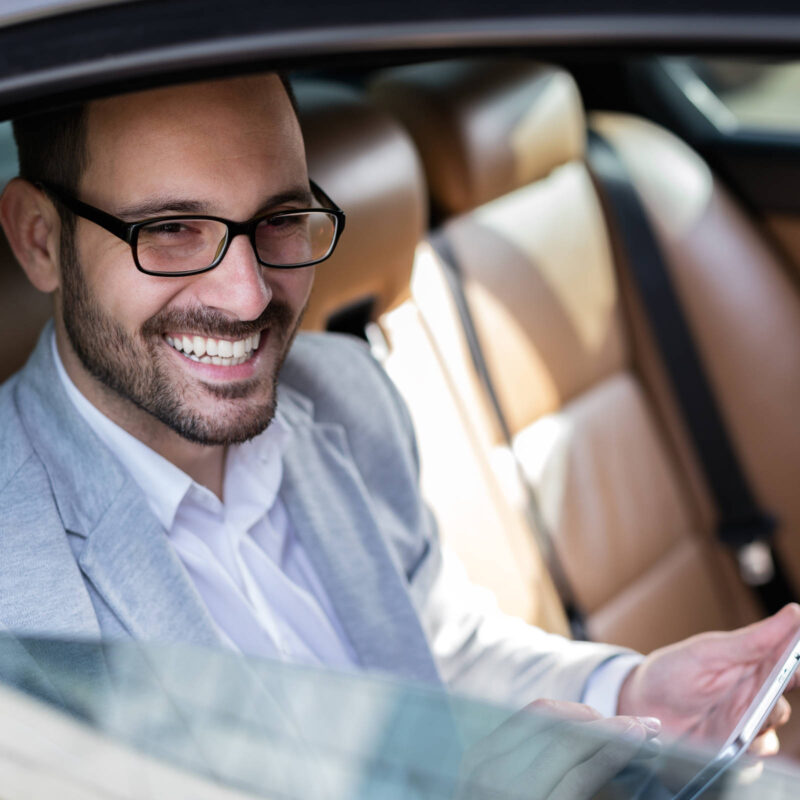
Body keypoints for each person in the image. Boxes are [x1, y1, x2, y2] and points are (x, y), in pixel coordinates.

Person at [0, 72, 798, 798]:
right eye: (172, 229)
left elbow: (439, 651)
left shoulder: (344, 395)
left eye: (280, 219)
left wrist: (630, 699)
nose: (246, 296)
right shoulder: (19, 590)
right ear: (40, 238)